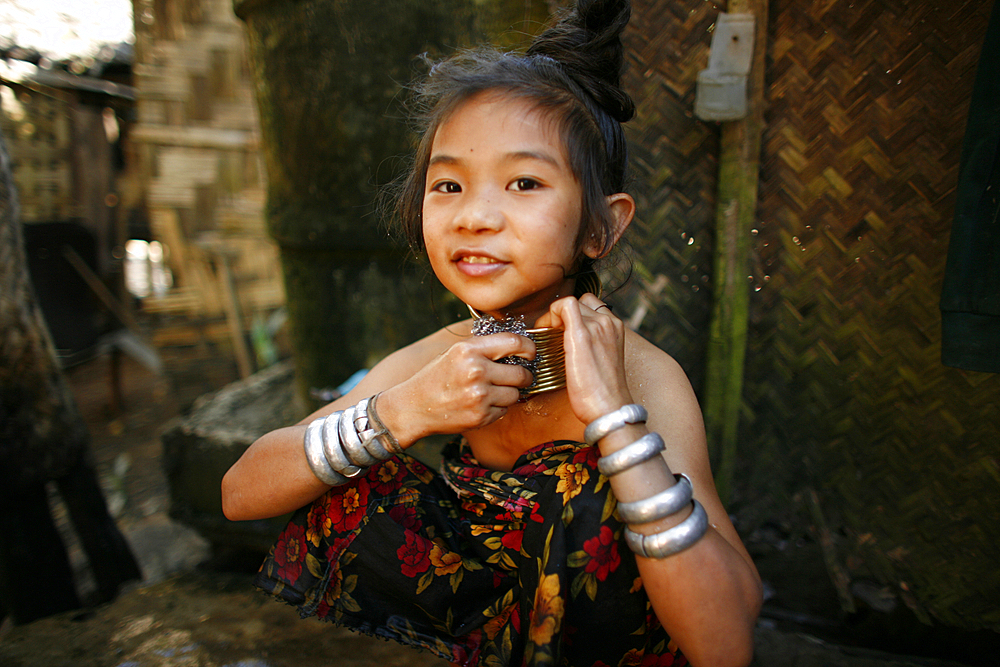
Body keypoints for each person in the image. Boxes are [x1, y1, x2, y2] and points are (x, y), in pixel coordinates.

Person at [222, 1, 762, 664]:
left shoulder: (642, 377)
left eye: (524, 181)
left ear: (603, 226)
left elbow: (727, 644)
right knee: (353, 461)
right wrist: (405, 409)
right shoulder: (446, 357)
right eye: (448, 183)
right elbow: (240, 492)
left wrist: (617, 423)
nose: (475, 215)